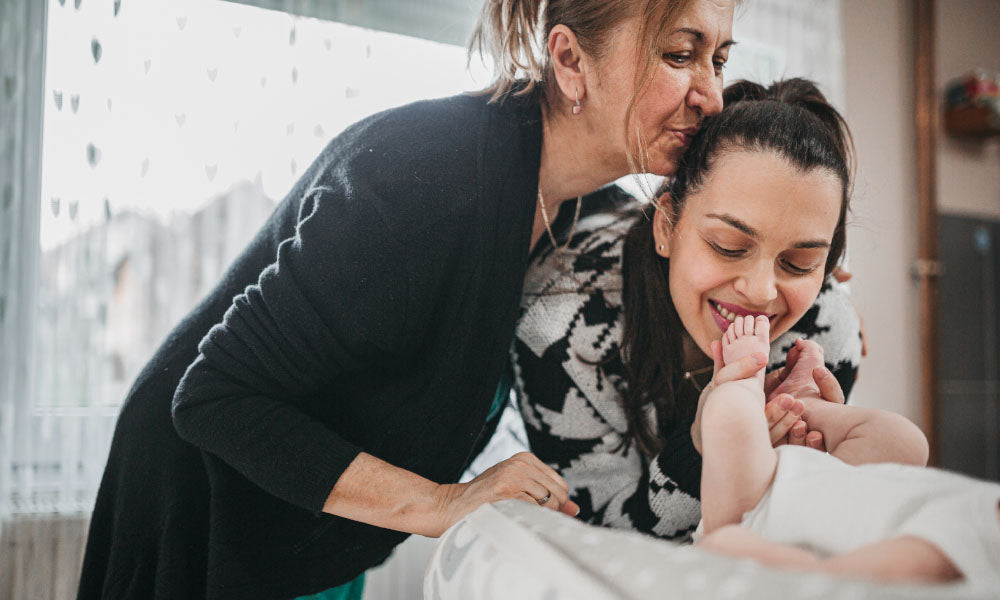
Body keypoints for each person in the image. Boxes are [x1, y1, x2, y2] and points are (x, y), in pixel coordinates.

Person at [76, 1, 739, 598]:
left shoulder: (585, 208)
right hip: (206, 511)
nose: (711, 94)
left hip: (324, 526)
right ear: (569, 59)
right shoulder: (424, 177)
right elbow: (214, 396)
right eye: (679, 54)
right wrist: (443, 504)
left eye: (719, 58)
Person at [512, 78, 864, 540]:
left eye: (799, 263)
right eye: (727, 246)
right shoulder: (562, 328)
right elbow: (595, 534)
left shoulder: (825, 329)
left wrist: (812, 464)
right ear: (666, 225)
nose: (760, 292)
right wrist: (702, 450)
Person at [697, 314, 1000, 588]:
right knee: (905, 440)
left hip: (757, 513)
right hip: (839, 481)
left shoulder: (953, 564)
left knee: (728, 416)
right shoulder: (981, 519)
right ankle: (805, 402)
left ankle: (743, 381)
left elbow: (828, 581)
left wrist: (733, 544)